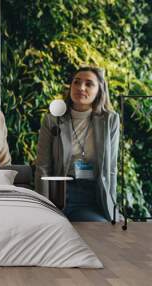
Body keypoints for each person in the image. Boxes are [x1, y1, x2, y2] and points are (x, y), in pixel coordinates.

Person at [35, 67, 120, 222]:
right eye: (77, 82)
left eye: (89, 84)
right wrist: (43, 206)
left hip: (93, 195)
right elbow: (43, 166)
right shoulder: (52, 119)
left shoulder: (110, 120)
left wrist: (113, 206)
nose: (81, 88)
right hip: (60, 193)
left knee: (99, 231)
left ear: (99, 90)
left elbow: (111, 169)